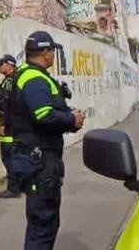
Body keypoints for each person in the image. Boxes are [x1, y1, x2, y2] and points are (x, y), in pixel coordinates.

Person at [9, 30, 85, 250]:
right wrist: (72, 119)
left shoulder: (32, 75)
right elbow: (43, 115)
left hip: (37, 159)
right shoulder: (34, 79)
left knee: (45, 222)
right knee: (42, 225)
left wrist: (68, 116)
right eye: (51, 51)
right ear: (45, 52)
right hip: (39, 162)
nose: (52, 56)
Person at [0, 53, 20, 198]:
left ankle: (13, 188)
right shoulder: (10, 80)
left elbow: (7, 104)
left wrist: (3, 123)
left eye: (2, 63)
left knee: (8, 156)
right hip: (11, 122)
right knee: (11, 156)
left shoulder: (9, 81)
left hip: (8, 124)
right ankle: (17, 185)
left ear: (10, 65)